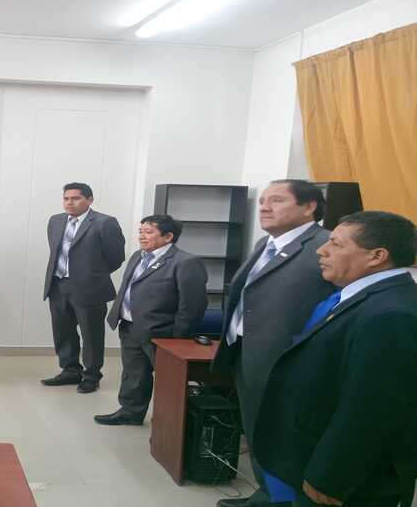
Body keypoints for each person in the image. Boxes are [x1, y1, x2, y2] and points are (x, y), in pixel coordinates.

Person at [254, 211, 417, 507]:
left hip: (342, 479)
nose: (321, 250)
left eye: (336, 244)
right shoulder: (363, 296)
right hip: (312, 452)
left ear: (377, 256)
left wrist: (330, 475)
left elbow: (373, 409)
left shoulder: (392, 313)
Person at [212, 179, 336, 507]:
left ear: (309, 207)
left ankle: (283, 499)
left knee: (283, 438)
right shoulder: (265, 243)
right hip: (248, 354)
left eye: (277, 200)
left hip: (288, 363)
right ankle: (266, 494)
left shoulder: (325, 246)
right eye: (263, 201)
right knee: (257, 430)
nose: (264, 207)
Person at [95, 214, 207, 425]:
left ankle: (170, 422)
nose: (141, 236)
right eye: (140, 232)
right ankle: (130, 412)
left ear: (168, 236)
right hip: (130, 326)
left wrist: (178, 337)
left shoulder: (185, 262)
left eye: (148, 232)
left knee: (169, 379)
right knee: (133, 373)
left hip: (162, 333)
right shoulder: (138, 256)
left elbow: (192, 305)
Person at [40, 182, 126, 394]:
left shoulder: (105, 223)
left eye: (76, 198)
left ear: (89, 200)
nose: (70, 202)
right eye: (66, 198)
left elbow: (116, 257)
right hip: (58, 285)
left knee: (91, 335)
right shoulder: (56, 221)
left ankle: (91, 376)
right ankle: (70, 370)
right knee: (63, 332)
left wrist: (92, 274)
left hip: (90, 288)